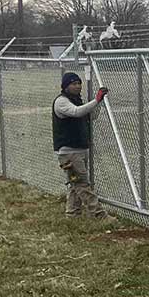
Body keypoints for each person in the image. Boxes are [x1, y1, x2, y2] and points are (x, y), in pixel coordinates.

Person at [52, 72, 108, 218]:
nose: (77, 86)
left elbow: (92, 115)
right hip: (69, 151)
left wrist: (99, 102)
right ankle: (99, 215)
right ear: (65, 86)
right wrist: (96, 100)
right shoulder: (61, 102)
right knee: (82, 184)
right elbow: (76, 112)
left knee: (74, 183)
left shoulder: (77, 101)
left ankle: (72, 214)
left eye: (79, 83)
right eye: (73, 84)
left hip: (80, 148)